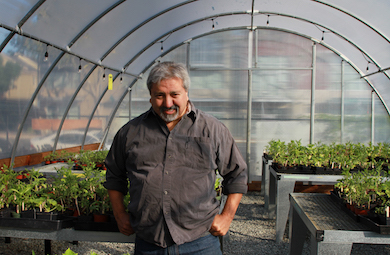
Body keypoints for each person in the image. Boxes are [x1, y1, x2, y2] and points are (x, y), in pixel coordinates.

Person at [104, 61, 248, 255]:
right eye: (160, 96)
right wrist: (120, 214)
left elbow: (237, 174)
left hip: (200, 242)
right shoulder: (130, 132)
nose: (168, 103)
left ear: (186, 93)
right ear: (150, 97)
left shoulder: (212, 129)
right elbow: (115, 175)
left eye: (174, 95)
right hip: (149, 243)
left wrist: (227, 217)